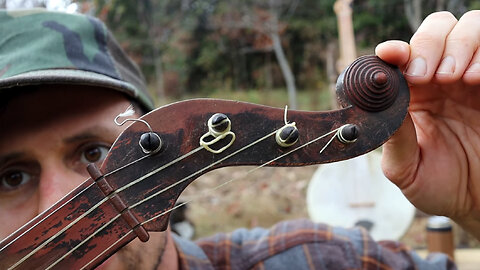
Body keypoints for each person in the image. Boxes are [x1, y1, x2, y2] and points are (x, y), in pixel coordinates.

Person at [0, 8, 478, 270]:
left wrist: (476, 205)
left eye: (96, 153)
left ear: (162, 145)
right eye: (10, 176)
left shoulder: (322, 261)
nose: (59, 205)